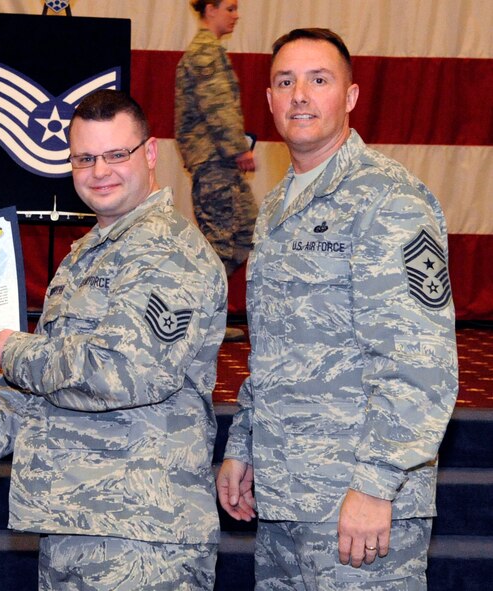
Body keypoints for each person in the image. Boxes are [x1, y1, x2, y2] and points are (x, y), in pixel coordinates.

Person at [0, 89, 227, 590]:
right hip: (75, 526)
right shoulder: (89, 255)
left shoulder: (169, 250)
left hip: (143, 539)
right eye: (85, 158)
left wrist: (15, 349)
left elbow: (124, 373)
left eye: (116, 155)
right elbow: (32, 388)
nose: (100, 171)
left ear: (149, 155)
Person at [216, 28, 459, 589]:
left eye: (318, 80)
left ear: (349, 97)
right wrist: (245, 445)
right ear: (271, 100)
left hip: (360, 503)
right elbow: (275, 351)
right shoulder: (277, 206)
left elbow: (420, 363)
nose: (300, 94)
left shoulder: (389, 199)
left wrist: (376, 484)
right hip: (285, 498)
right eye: (285, 81)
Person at [175, 0, 257, 341]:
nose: (236, 15)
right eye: (230, 7)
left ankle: (204, 314)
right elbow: (217, 106)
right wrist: (239, 148)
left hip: (219, 163)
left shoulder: (209, 51)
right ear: (210, 8)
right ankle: (200, 320)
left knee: (248, 231)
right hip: (214, 163)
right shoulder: (205, 52)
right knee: (219, 244)